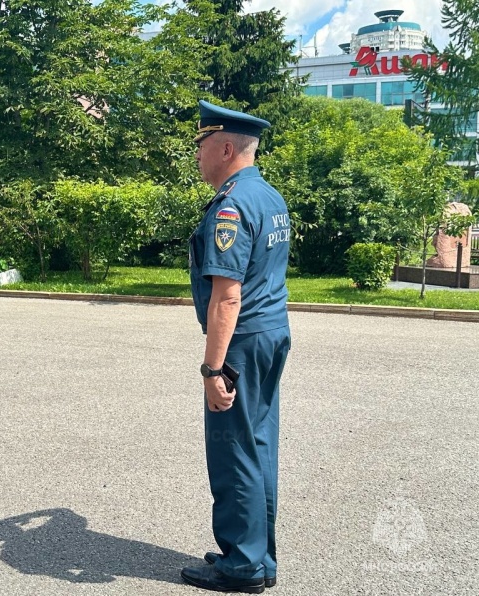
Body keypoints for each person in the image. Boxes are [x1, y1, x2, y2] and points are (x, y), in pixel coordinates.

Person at [181, 101, 292, 593]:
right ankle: (258, 553)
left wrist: (212, 370)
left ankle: (243, 564)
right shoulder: (269, 196)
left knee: (233, 450)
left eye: (202, 147)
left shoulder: (232, 205)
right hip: (271, 332)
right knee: (258, 445)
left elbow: (227, 296)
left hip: (242, 340)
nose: (198, 157)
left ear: (226, 148)